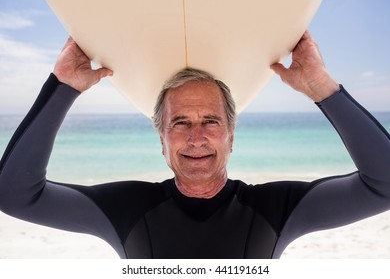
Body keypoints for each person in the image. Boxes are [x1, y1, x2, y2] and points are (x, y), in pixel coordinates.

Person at [0, 30, 389, 258]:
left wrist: (321, 89)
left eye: (210, 121)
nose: (196, 136)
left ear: (232, 136)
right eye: (180, 122)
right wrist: (62, 88)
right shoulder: (127, 209)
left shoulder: (277, 209)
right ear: (162, 139)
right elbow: (15, 195)